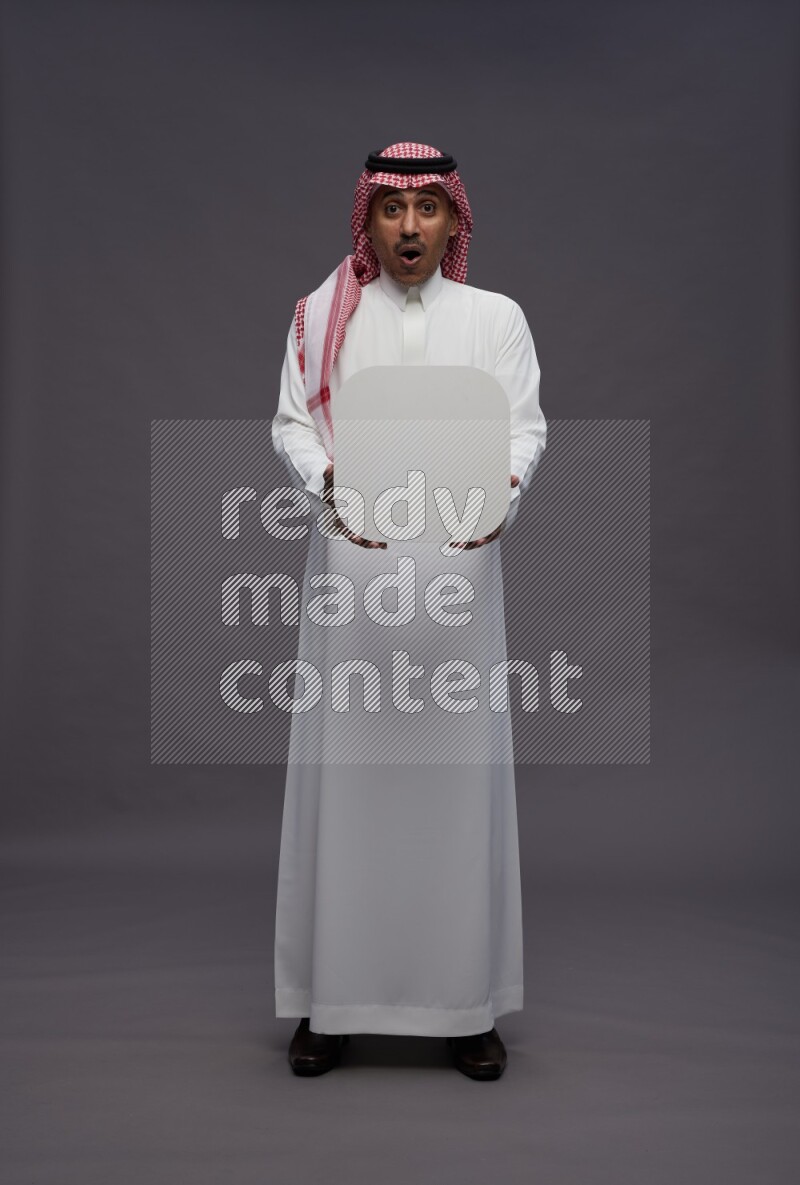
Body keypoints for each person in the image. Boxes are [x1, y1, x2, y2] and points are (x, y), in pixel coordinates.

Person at [271, 142, 546, 1079]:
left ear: (456, 222)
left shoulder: (497, 318)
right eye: (394, 210)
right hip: (354, 573)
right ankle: (329, 1005)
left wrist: (502, 489)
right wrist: (334, 480)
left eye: (430, 208)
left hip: (461, 581)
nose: (411, 227)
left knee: (458, 788)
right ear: (369, 219)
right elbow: (293, 426)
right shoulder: (321, 318)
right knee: (346, 786)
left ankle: (464, 1008)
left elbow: (524, 428)